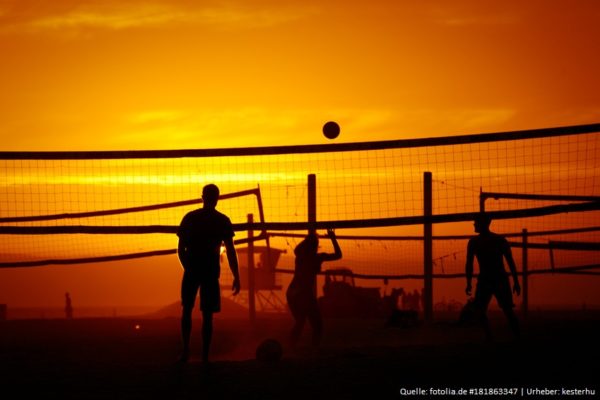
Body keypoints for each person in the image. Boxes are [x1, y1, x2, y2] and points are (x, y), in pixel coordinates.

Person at [177, 184, 241, 363]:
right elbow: (230, 250)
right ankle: (203, 355)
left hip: (197, 270)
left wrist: (188, 267)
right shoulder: (221, 220)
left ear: (202, 197)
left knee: (189, 311)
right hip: (209, 271)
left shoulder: (191, 217)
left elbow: (181, 249)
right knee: (206, 315)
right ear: (216, 198)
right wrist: (236, 275)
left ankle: (187, 352)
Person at [465, 213, 520, 340]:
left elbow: (469, 263)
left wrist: (468, 282)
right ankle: (501, 337)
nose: (474, 224)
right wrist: (516, 281)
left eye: (476, 222)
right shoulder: (498, 240)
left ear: (483, 224)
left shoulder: (476, 242)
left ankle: (493, 337)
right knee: (503, 310)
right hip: (497, 277)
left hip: (489, 278)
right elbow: (510, 261)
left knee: (498, 310)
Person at [287, 229, 342, 347]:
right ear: (314, 246)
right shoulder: (316, 257)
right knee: (317, 325)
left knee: (300, 322)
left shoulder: (300, 256)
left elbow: (297, 249)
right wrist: (332, 238)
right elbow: (338, 255)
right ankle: (312, 348)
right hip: (303, 293)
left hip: (292, 292)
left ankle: (291, 346)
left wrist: (310, 237)